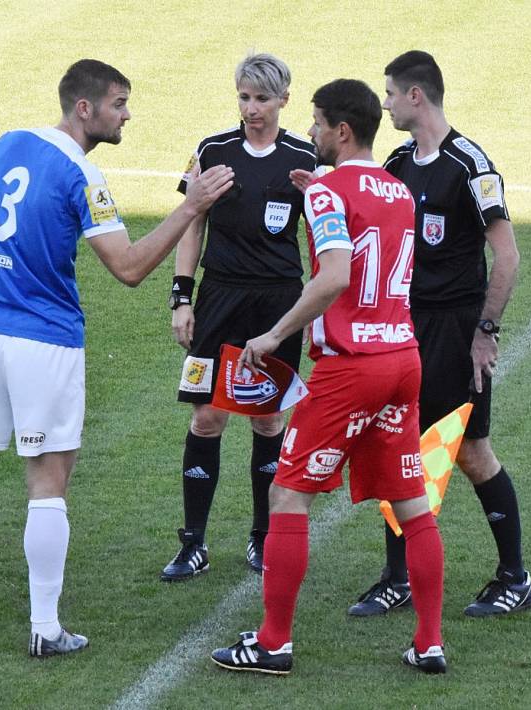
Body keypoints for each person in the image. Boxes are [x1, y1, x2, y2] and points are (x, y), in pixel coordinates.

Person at [0, 59, 234, 655]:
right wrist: (191, 207)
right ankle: (45, 629)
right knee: (47, 483)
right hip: (45, 342)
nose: (127, 114)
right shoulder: (83, 174)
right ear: (85, 108)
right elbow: (127, 268)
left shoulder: (6, 144)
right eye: (119, 103)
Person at [212, 78, 446, 675]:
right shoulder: (397, 188)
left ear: (341, 131)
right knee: (413, 505)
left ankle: (272, 642)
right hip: (403, 358)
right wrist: (323, 191)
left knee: (287, 494)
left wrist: (273, 333)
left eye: (316, 123)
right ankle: (429, 641)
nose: (309, 132)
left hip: (351, 368)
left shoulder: (325, 193)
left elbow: (337, 274)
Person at [347, 50, 531, 618]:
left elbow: (506, 257)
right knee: (396, 442)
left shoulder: (469, 164)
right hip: (406, 327)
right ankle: (396, 576)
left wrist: (485, 332)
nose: (384, 104)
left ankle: (514, 577)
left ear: (415, 97)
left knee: (472, 452)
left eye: (389, 93)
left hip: (456, 328)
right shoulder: (401, 161)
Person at [161, 54, 316, 581]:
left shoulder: (305, 157)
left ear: (283, 101)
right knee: (207, 416)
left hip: (277, 302)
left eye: (262, 99)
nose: (252, 109)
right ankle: (193, 542)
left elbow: (322, 239)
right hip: (220, 299)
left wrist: (312, 311)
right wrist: (182, 298)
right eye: (245, 97)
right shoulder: (212, 150)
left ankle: (262, 537)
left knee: (268, 417)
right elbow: (190, 224)